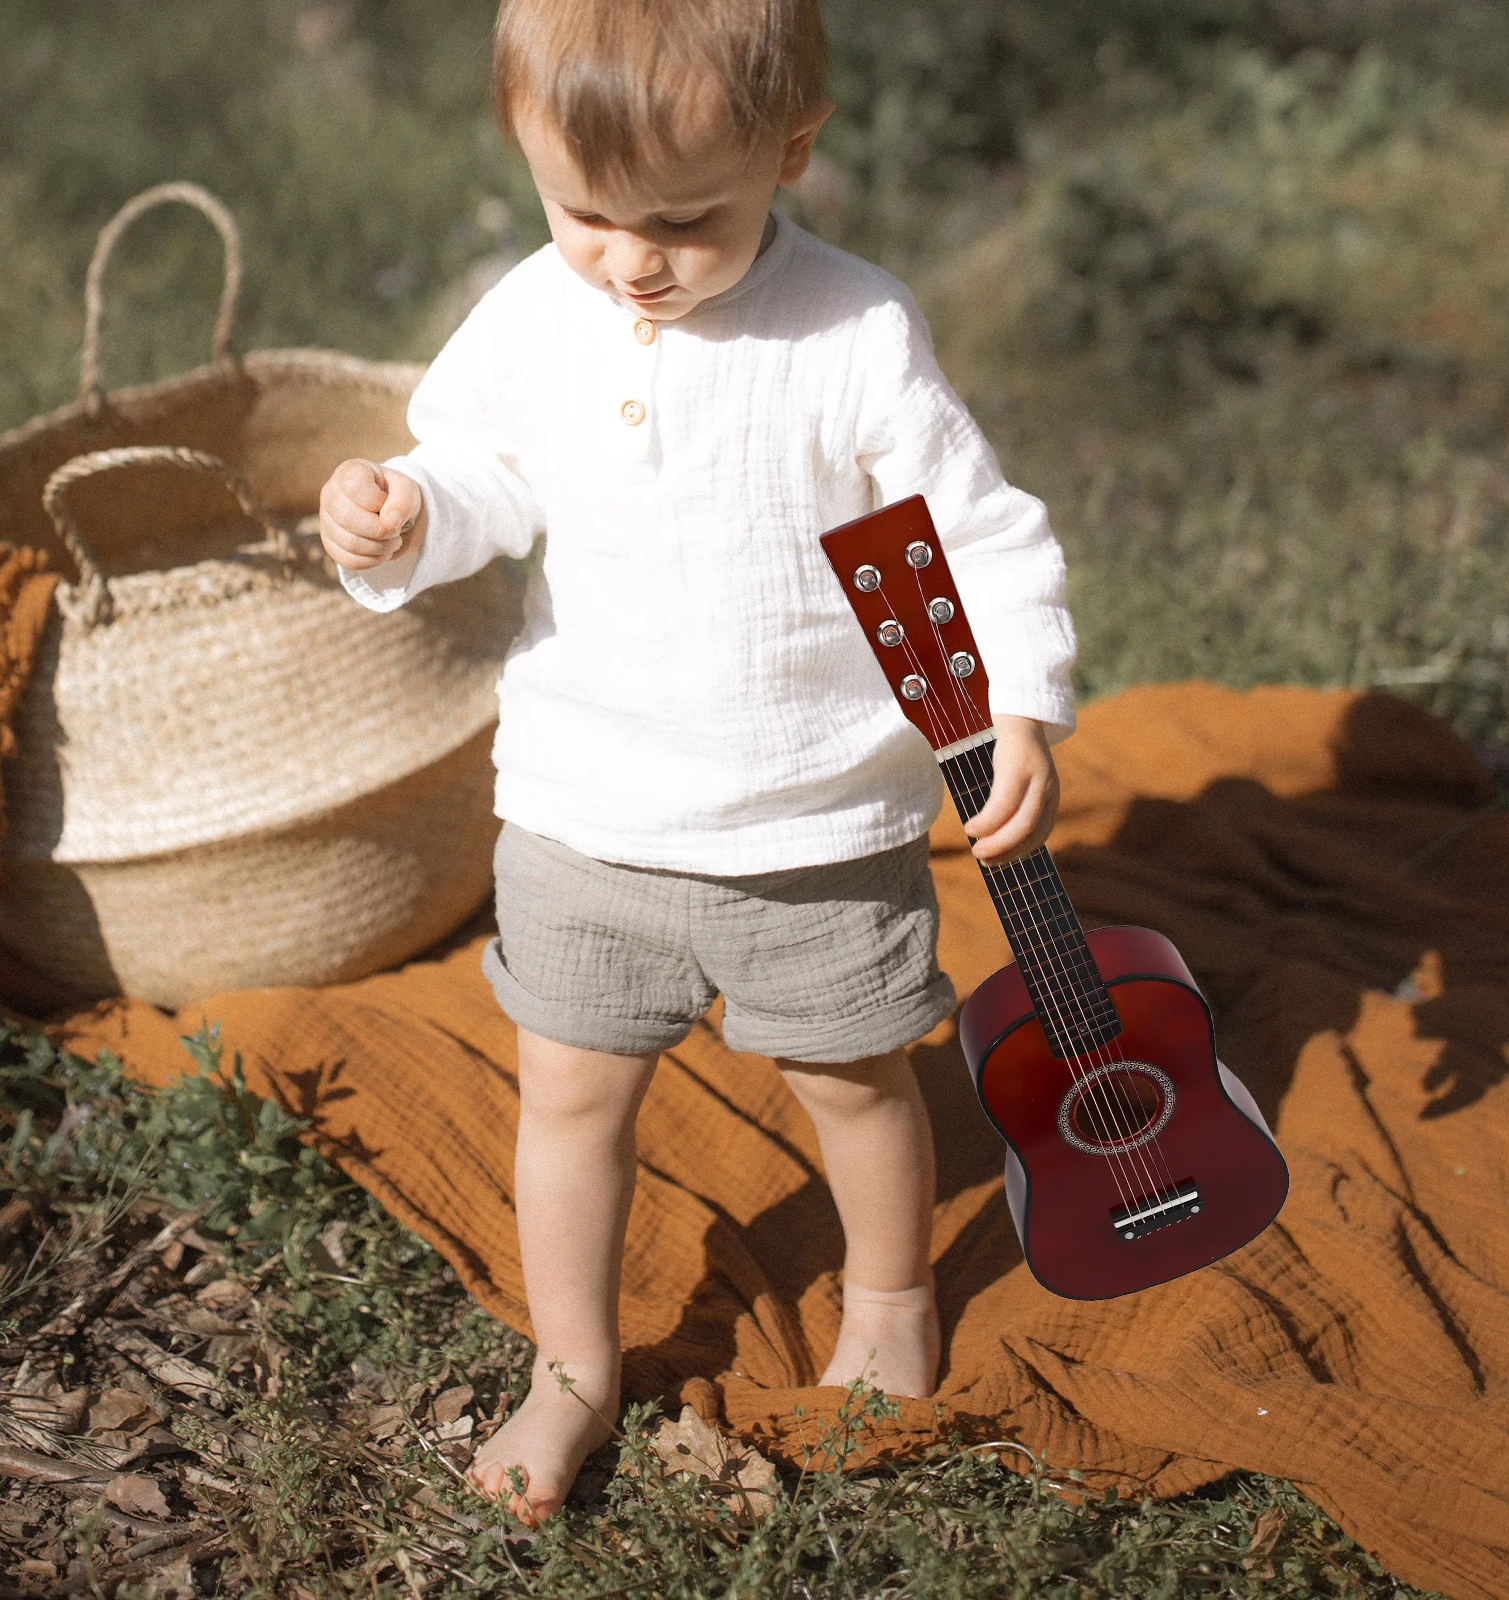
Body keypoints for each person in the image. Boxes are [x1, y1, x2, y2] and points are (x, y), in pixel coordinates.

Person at [318, 0, 1076, 1526]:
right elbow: (483, 470)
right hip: (585, 814)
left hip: (813, 821)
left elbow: (973, 529)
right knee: (569, 1097)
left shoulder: (850, 330)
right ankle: (574, 1367)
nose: (632, 261)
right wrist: (403, 510)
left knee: (855, 1081)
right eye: (585, 212)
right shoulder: (535, 314)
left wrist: (1022, 701)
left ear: (791, 150)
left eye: (682, 222)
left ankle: (890, 1298)